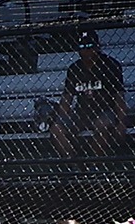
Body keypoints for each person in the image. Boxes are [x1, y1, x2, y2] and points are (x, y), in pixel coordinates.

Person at [51, 31, 126, 160]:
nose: (86, 51)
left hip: (105, 110)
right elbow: (67, 97)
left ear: (97, 47)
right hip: (82, 111)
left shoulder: (110, 65)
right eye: (82, 47)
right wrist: (62, 117)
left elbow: (119, 96)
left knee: (102, 125)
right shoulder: (75, 68)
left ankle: (95, 163)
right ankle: (74, 162)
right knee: (56, 129)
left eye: (90, 46)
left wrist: (121, 122)